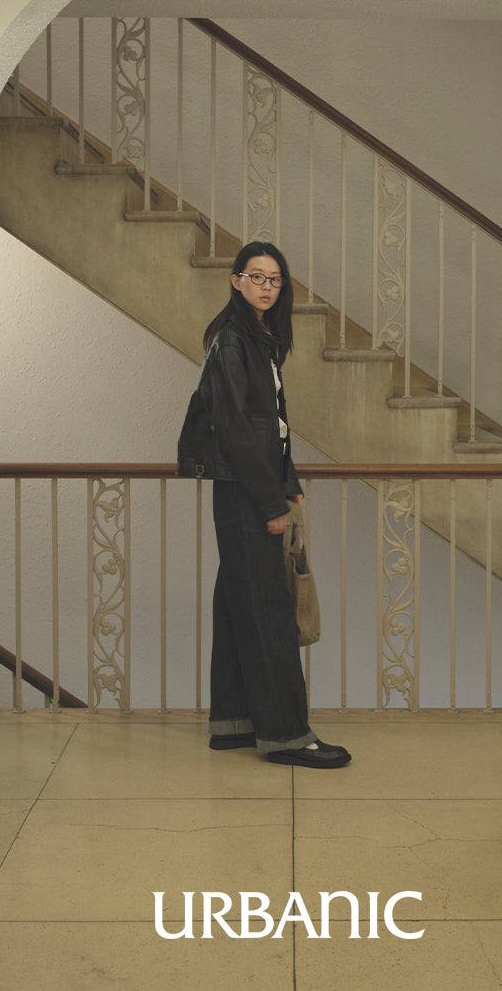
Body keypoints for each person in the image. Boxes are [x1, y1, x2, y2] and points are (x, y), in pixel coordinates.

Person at [178, 241, 351, 769]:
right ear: (236, 281)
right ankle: (286, 736)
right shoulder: (233, 339)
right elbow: (234, 429)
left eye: (275, 279)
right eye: (256, 276)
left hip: (250, 487)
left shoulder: (258, 339)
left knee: (238, 603)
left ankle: (234, 723)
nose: (266, 286)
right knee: (270, 610)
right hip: (245, 492)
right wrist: (272, 502)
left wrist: (288, 480)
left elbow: (270, 424)